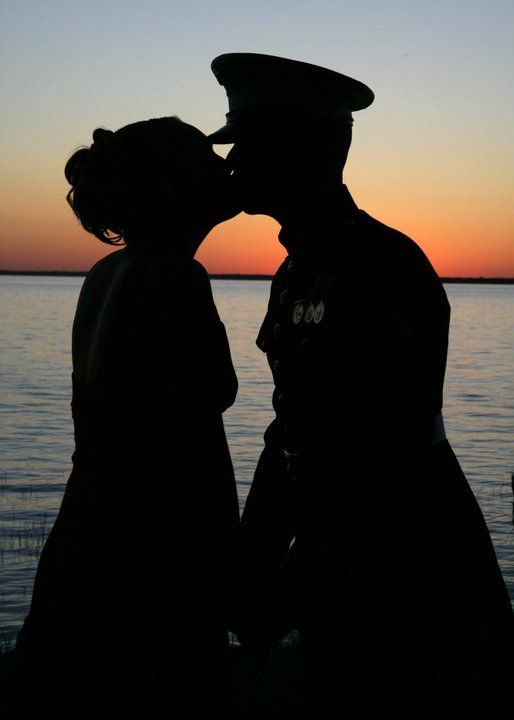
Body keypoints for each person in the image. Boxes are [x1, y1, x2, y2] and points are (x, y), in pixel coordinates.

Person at [209, 53, 514, 718]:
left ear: (312, 149)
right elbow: (290, 427)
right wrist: (253, 557)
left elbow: (385, 454)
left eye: (250, 146)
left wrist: (289, 580)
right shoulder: (295, 272)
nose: (233, 167)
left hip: (411, 574)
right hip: (342, 570)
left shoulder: (382, 267)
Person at [15, 117, 241, 718]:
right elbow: (196, 423)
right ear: (172, 188)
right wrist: (226, 563)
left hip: (89, 536)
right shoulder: (175, 277)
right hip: (148, 557)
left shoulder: (106, 274)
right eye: (206, 161)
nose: (226, 169)